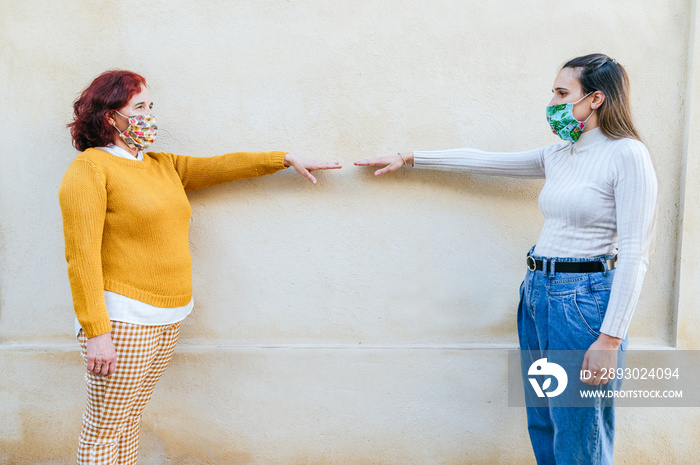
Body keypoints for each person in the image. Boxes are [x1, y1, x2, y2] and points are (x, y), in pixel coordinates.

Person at [355, 53, 657, 464]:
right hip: (537, 295)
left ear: (597, 99)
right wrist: (411, 157)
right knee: (544, 421)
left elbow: (637, 251)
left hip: (584, 304)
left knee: (578, 428)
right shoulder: (559, 155)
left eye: (562, 92)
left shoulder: (628, 155)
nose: (552, 102)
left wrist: (611, 338)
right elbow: (485, 160)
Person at [59, 69, 341, 465]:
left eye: (151, 106)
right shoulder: (90, 169)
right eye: (139, 107)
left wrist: (282, 158)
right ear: (110, 117)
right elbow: (81, 256)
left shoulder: (162, 165)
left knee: (128, 424)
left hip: (168, 316)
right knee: (103, 433)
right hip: (123, 321)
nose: (149, 115)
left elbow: (222, 166)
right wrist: (97, 333)